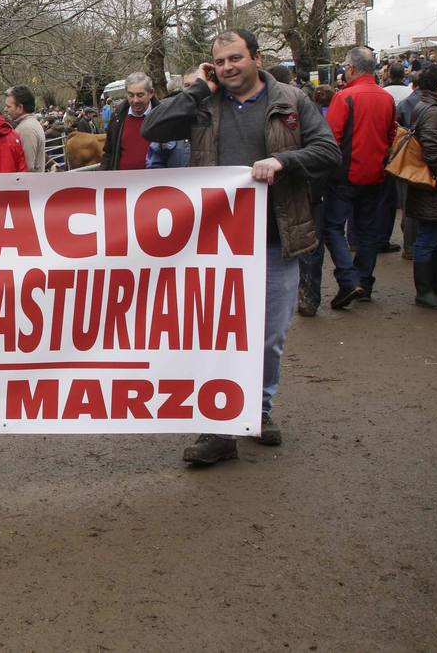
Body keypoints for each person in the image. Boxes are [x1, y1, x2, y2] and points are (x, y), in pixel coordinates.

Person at [142, 28, 340, 465]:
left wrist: (284, 162)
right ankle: (219, 426)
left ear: (256, 57)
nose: (230, 67)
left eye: (236, 58)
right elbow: (151, 127)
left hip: (275, 240)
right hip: (215, 247)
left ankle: (258, 410)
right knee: (217, 337)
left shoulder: (290, 101)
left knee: (268, 337)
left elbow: (328, 151)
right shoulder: (204, 103)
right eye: (222, 61)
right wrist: (196, 88)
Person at [319, 47, 396, 308]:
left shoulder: (345, 97)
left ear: (350, 69)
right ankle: (363, 280)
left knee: (332, 227)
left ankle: (350, 280)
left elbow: (331, 140)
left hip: (344, 176)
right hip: (375, 174)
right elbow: (390, 135)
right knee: (368, 231)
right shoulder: (386, 98)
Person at [404, 62, 437, 308]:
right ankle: (425, 291)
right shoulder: (434, 112)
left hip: (434, 188)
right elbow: (434, 154)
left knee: (436, 238)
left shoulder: (430, 107)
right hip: (434, 188)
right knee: (428, 239)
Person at [101, 72, 159, 171]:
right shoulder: (117, 118)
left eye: (140, 95)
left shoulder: (163, 117)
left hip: (156, 183)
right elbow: (109, 153)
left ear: (151, 93)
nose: (135, 100)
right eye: (131, 95)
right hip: (124, 183)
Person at [5, 86, 46, 173]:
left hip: (27, 185)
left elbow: (27, 166)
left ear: (20, 108)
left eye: (8, 107)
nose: (6, 110)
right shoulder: (29, 125)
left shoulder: (26, 129)